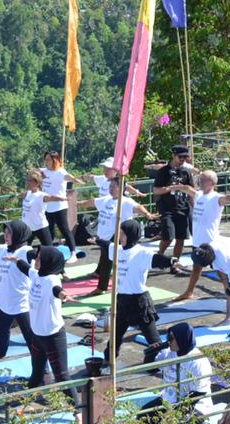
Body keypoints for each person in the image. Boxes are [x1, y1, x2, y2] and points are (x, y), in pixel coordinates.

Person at [76, 176, 153, 296]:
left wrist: (147, 214)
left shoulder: (126, 201)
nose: (111, 189)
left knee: (108, 260)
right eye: (110, 186)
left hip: (117, 236)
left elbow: (138, 207)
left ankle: (102, 287)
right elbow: (91, 202)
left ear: (121, 188)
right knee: (106, 259)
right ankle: (104, 284)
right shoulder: (106, 200)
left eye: (114, 186)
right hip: (104, 237)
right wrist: (77, 204)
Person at [21, 246, 78, 405]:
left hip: (53, 336)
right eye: (37, 258)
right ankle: (28, 401)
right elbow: (26, 268)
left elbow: (57, 290)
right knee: (37, 373)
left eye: (39, 258)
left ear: (48, 262)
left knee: (61, 377)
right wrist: (15, 259)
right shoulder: (37, 275)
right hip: (38, 335)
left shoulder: (51, 279)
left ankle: (78, 411)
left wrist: (65, 296)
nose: (36, 261)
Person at [176, 170, 230, 301]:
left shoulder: (216, 198)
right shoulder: (198, 194)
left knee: (222, 272)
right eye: (200, 179)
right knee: (196, 268)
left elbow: (227, 198)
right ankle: (189, 292)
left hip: (212, 244)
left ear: (213, 183)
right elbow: (187, 188)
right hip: (198, 242)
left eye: (203, 179)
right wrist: (172, 187)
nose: (200, 181)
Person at [106, 220, 162, 363]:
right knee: (115, 336)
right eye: (119, 233)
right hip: (122, 301)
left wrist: (172, 261)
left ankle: (154, 362)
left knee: (153, 339)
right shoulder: (117, 250)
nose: (120, 237)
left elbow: (157, 260)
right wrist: (97, 240)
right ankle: (108, 360)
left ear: (131, 235)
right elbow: (106, 244)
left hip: (140, 302)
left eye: (123, 234)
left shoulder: (142, 253)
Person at [0, 221, 34, 359]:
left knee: (31, 338)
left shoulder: (25, 251)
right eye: (5, 233)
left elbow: (36, 254)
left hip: (21, 304)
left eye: (9, 233)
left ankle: (43, 370)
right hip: (4, 302)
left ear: (19, 235)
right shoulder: (4, 249)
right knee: (2, 330)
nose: (5, 236)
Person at [154, 145, 195, 268]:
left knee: (181, 238)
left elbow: (192, 191)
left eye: (185, 157)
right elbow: (156, 191)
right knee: (168, 237)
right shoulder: (163, 171)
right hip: (167, 209)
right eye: (180, 156)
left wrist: (195, 208)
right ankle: (158, 257)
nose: (183, 159)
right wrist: (171, 188)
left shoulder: (186, 172)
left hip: (183, 208)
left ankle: (175, 263)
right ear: (174, 155)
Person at [40, 150, 79, 257]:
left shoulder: (60, 172)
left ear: (55, 160)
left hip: (59, 207)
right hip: (47, 207)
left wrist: (76, 179)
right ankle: (49, 253)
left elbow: (68, 177)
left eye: (48, 159)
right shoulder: (43, 172)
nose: (46, 162)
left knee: (65, 230)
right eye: (45, 159)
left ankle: (73, 253)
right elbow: (33, 173)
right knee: (49, 231)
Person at [21, 169, 52, 246]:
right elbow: (17, 195)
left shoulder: (42, 195)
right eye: (28, 180)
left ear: (37, 183)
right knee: (24, 251)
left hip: (40, 226)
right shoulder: (26, 194)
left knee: (49, 249)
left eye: (31, 181)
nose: (28, 183)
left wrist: (63, 198)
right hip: (27, 228)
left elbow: (53, 198)